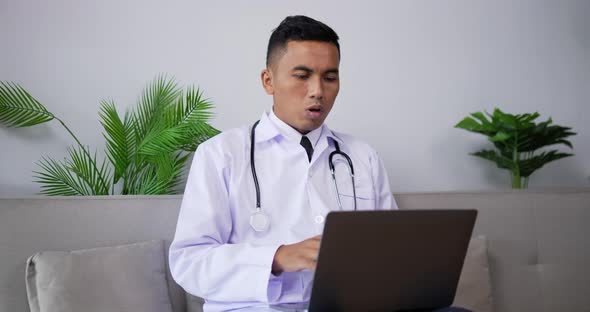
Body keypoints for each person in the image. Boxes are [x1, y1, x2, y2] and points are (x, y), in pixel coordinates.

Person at [169, 15, 469, 312]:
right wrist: (277, 257)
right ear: (268, 81)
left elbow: (389, 251)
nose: (318, 91)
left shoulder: (361, 156)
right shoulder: (221, 155)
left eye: (329, 77)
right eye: (302, 76)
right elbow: (190, 263)